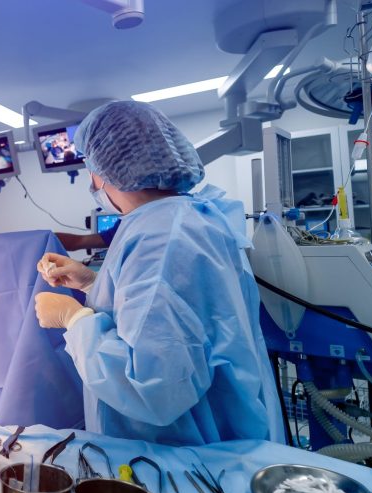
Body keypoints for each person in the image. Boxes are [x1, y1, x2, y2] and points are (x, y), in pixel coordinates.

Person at [33, 101, 283, 447]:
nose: (91, 181)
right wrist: (91, 282)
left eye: (90, 168)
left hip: (186, 451)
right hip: (219, 435)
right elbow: (168, 314)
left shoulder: (161, 237)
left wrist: (72, 319)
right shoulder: (183, 218)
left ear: (105, 169)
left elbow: (154, 389)